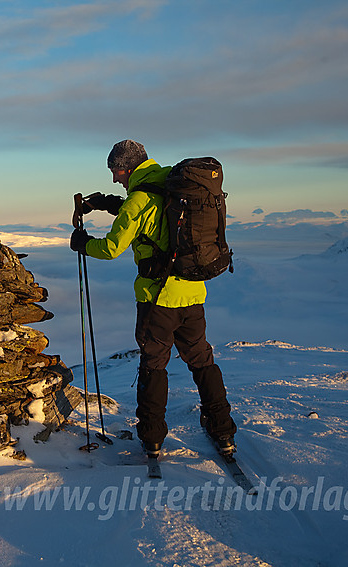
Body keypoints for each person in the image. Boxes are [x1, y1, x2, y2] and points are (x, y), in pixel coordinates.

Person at [69, 139, 237, 457]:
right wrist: (107, 203)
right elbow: (154, 217)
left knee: (153, 366)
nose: (115, 178)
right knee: (202, 362)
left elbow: (110, 248)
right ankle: (223, 431)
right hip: (192, 293)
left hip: (157, 301)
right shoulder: (171, 187)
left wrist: (82, 243)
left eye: (116, 171)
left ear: (129, 168)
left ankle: (152, 438)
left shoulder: (139, 200)